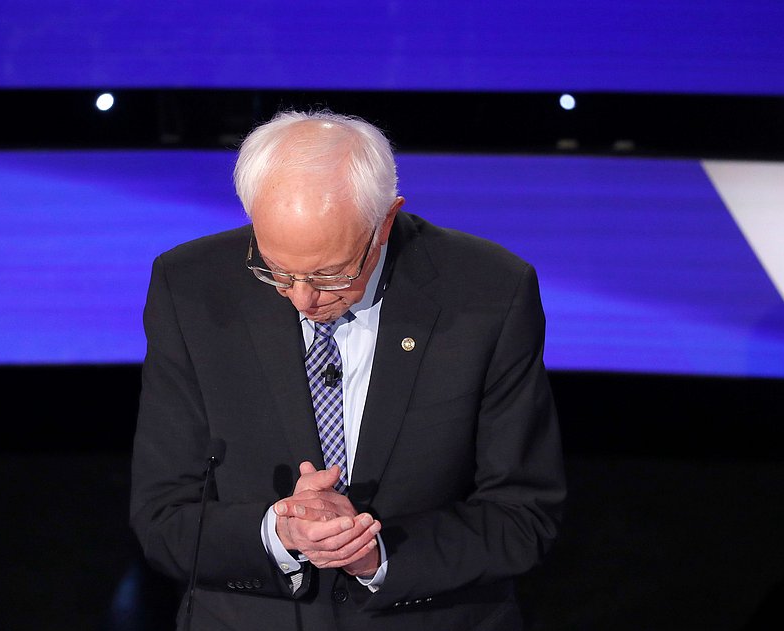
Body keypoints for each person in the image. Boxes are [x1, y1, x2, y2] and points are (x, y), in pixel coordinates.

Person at [130, 109, 565, 630]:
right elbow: (163, 517)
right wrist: (280, 532)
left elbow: (522, 517)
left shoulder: (489, 292)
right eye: (275, 270)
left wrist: (374, 554)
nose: (301, 298)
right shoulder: (190, 287)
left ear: (384, 221)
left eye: (330, 275)